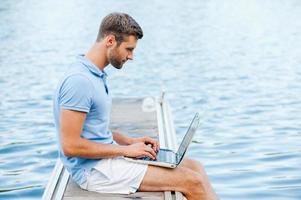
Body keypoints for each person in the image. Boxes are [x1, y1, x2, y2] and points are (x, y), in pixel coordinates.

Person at [53, 12, 218, 200]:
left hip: (104, 161)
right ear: (110, 41)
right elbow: (70, 146)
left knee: (195, 167)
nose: (131, 56)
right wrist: (125, 151)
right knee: (191, 181)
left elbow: (93, 131)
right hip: (92, 170)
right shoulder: (79, 81)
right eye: (129, 49)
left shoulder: (94, 74)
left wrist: (129, 141)